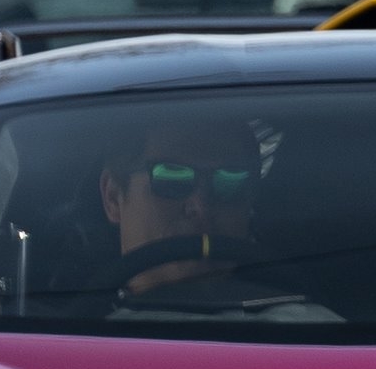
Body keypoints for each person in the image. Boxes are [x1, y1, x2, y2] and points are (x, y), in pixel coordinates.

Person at [98, 115, 265, 303]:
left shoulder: (296, 322)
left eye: (229, 183)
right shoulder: (67, 319)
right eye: (172, 180)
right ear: (112, 197)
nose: (201, 207)